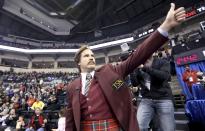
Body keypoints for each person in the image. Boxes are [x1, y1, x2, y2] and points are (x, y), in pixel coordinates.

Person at [66, 3, 185, 131]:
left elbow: (138, 55)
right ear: (78, 62)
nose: (91, 57)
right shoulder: (72, 86)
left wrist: (165, 26)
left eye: (92, 55)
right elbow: (70, 119)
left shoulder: (110, 71)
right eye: (86, 56)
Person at [130, 54, 174, 131]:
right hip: (146, 100)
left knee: (167, 128)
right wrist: (132, 71)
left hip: (163, 99)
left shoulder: (162, 62)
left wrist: (146, 69)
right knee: (139, 126)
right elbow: (135, 83)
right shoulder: (139, 66)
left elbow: (165, 76)